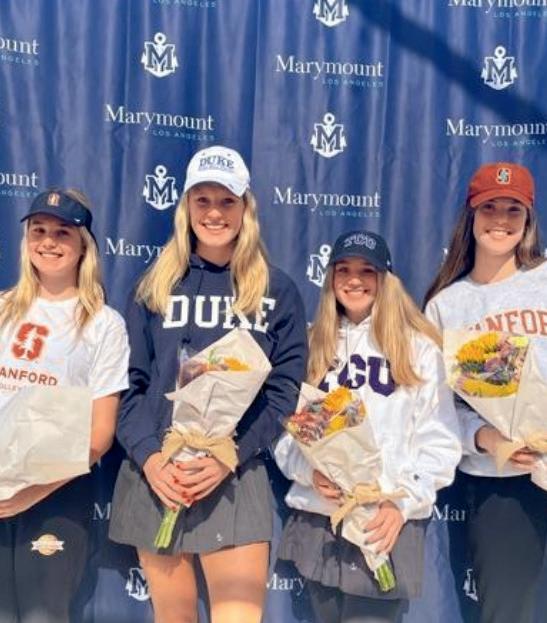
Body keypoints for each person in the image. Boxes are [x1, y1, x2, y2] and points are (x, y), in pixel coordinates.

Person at [109, 145, 308, 623]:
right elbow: (129, 386)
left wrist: (229, 455)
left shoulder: (276, 291)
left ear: (246, 208)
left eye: (227, 201)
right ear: (186, 206)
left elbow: (284, 392)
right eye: (203, 200)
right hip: (159, 476)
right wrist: (151, 458)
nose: (214, 213)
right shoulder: (154, 287)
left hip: (233, 473)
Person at [274, 230, 461, 623]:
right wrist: (309, 471)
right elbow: (285, 435)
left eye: (367, 270)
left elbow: (441, 443)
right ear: (330, 278)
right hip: (322, 519)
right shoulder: (312, 345)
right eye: (343, 269)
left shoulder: (417, 348)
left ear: (386, 279)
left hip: (383, 521)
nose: (353, 280)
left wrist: (402, 502)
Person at [424, 162, 547, 623]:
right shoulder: (446, 306)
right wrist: (487, 439)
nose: (501, 219)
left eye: (513, 209)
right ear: (470, 216)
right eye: (489, 207)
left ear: (528, 218)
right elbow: (436, 410)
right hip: (504, 483)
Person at [0, 188, 129, 623]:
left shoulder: (103, 324)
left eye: (62, 233)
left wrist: (33, 492)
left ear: (83, 246)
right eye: (38, 230)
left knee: (44, 616)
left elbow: (100, 434)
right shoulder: (2, 310)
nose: (48, 242)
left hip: (57, 495)